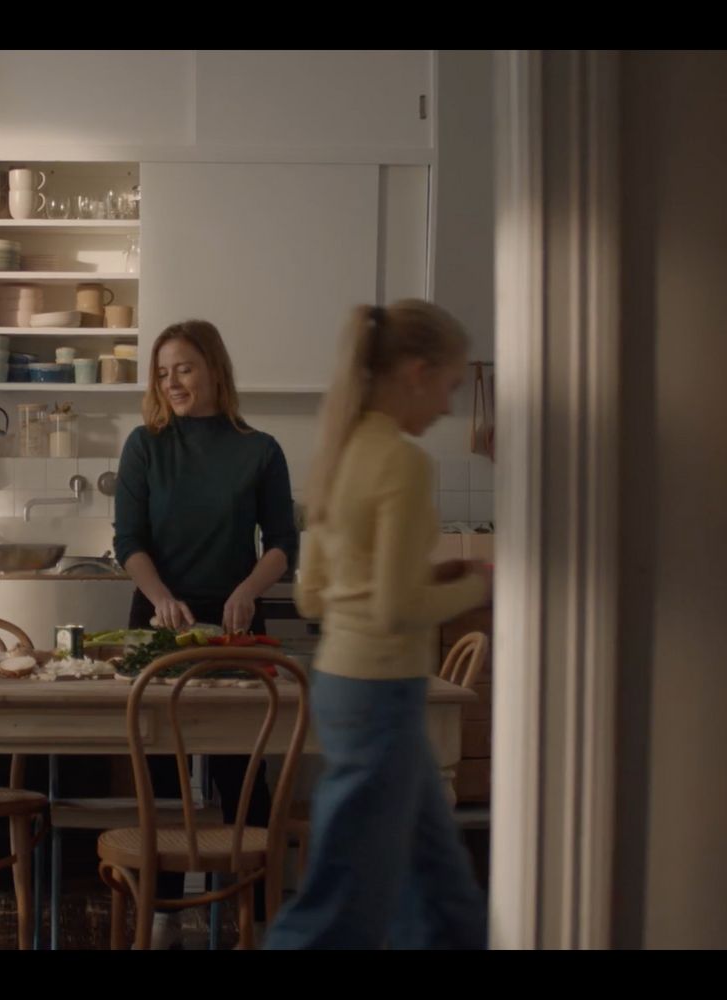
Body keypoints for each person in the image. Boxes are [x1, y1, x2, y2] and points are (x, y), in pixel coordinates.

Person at [264, 300, 491, 950]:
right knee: (342, 904)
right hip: (379, 688)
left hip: (345, 681)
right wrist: (480, 584)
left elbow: (314, 596)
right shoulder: (401, 461)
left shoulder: (340, 447)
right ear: (417, 372)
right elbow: (392, 611)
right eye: (450, 385)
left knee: (441, 893)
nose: (449, 407)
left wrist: (427, 584)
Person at [113, 319, 299, 948]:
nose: (172, 383)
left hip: (237, 623)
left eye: (184, 369)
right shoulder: (145, 445)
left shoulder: (260, 449)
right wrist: (160, 597)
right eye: (162, 373)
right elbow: (129, 544)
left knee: (240, 767)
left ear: (215, 369)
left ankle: (258, 912)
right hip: (161, 621)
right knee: (161, 769)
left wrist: (248, 590)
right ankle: (162, 913)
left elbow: (282, 546)